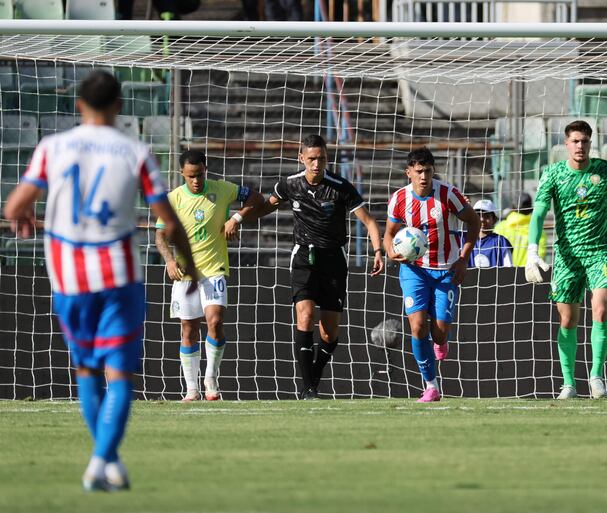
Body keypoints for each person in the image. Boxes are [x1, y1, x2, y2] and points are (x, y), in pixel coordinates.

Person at [2, 70, 198, 491]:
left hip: (68, 278)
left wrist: (25, 218)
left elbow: (15, 205)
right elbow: (168, 219)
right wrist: (192, 266)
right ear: (120, 107)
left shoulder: (52, 147)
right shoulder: (134, 150)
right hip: (118, 275)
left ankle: (106, 462)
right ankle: (101, 459)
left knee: (87, 370)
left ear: (78, 105)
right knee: (120, 375)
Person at [255, 134, 384, 399]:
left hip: (334, 259)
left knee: (329, 331)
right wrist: (235, 218)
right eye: (311, 158)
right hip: (304, 257)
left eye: (321, 158)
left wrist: (378, 251)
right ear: (301, 158)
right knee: (304, 316)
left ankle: (312, 376)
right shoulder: (290, 185)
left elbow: (370, 222)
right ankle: (308, 388)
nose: (316, 164)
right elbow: (265, 207)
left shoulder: (340, 187)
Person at [525, 120, 607, 400]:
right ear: (566, 144)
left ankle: (597, 376)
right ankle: (568, 383)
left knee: (601, 309)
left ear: (591, 143)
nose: (580, 146)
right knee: (567, 320)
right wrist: (531, 250)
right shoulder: (552, 174)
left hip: (600, 251)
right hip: (566, 256)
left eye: (585, 141)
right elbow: (539, 214)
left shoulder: (606, 171)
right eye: (575, 141)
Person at [155, 150, 262, 402]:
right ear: (181, 173)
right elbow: (159, 234)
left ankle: (210, 379)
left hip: (214, 269)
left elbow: (256, 198)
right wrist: (169, 260)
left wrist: (236, 217)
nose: (196, 181)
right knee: (188, 329)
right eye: (191, 176)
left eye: (200, 175)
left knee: (214, 321)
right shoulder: (172, 199)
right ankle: (191, 389)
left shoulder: (223, 189)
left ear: (206, 170)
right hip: (185, 274)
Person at [384, 147, 481, 402]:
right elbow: (389, 234)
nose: (424, 176)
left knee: (438, 332)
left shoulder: (448, 194)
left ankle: (441, 340)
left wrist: (463, 258)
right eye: (418, 172)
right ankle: (430, 385)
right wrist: (389, 252)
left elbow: (474, 222)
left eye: (427, 171)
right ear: (409, 173)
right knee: (417, 326)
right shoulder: (399, 199)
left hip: (445, 270)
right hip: (413, 270)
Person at [494, 191, 547, 267]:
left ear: (512, 208)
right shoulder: (538, 230)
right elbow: (540, 254)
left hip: (503, 273)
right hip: (528, 272)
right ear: (530, 209)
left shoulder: (500, 227)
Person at [462, 199, 513, 268]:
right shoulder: (465, 240)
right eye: (478, 215)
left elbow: (509, 268)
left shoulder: (501, 241)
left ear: (494, 220)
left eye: (487, 216)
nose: (482, 219)